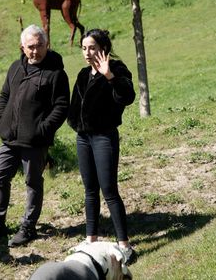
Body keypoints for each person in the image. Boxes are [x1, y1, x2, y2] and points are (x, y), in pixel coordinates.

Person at [0, 25, 70, 247]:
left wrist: (42, 130)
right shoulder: (15, 67)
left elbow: (62, 106)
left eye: (39, 46)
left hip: (35, 141)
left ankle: (28, 227)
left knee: (33, 182)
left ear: (47, 45)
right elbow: (4, 94)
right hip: (10, 138)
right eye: (30, 47)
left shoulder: (56, 73)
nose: (35, 51)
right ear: (22, 47)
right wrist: (1, 121)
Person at [67, 29, 137, 263]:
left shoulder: (116, 69)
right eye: (84, 48)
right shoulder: (82, 74)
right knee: (89, 191)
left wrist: (109, 77)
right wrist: (76, 124)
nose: (87, 53)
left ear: (103, 48)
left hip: (104, 137)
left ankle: (124, 245)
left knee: (109, 191)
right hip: (84, 138)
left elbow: (127, 97)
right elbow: (74, 106)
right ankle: (91, 241)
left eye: (92, 48)